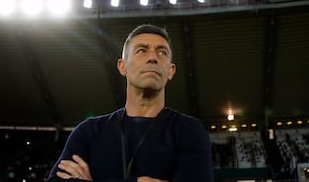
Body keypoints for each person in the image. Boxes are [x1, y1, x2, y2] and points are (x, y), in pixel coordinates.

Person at [47, 24, 213, 182]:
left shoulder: (189, 130)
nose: (153, 58)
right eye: (142, 50)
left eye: (162, 52)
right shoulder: (89, 131)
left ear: (170, 70)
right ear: (122, 66)